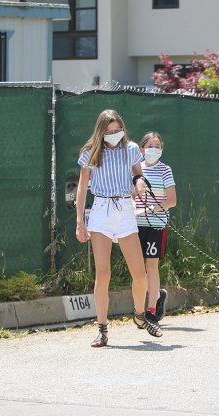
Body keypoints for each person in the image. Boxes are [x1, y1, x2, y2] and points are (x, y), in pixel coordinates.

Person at [75, 109, 163, 347]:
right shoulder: (90, 152)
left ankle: (139, 315)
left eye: (117, 130)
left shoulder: (132, 149)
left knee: (140, 274)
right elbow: (82, 188)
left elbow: (137, 173)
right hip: (101, 210)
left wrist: (140, 181)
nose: (114, 135)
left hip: (125, 209)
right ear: (101, 131)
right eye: (109, 131)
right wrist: (80, 222)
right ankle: (102, 329)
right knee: (103, 273)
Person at [133, 131, 177, 322]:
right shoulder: (135, 170)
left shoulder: (165, 170)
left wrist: (150, 210)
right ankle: (141, 307)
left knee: (151, 266)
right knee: (137, 270)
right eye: (150, 146)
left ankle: (151, 310)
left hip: (157, 225)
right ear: (142, 148)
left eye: (157, 146)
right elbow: (130, 195)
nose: (153, 149)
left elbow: (172, 200)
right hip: (134, 227)